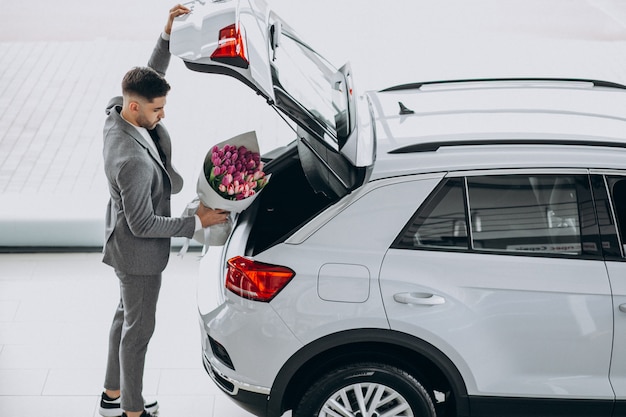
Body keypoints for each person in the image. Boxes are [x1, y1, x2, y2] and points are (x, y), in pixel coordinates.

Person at [99, 5, 229, 417]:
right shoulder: (131, 160)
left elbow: (147, 77)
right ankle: (132, 411)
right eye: (157, 110)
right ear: (136, 109)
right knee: (138, 332)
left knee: (124, 318)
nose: (162, 115)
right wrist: (197, 223)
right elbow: (144, 224)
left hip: (122, 246)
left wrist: (166, 35)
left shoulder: (116, 112)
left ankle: (112, 394)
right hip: (137, 255)